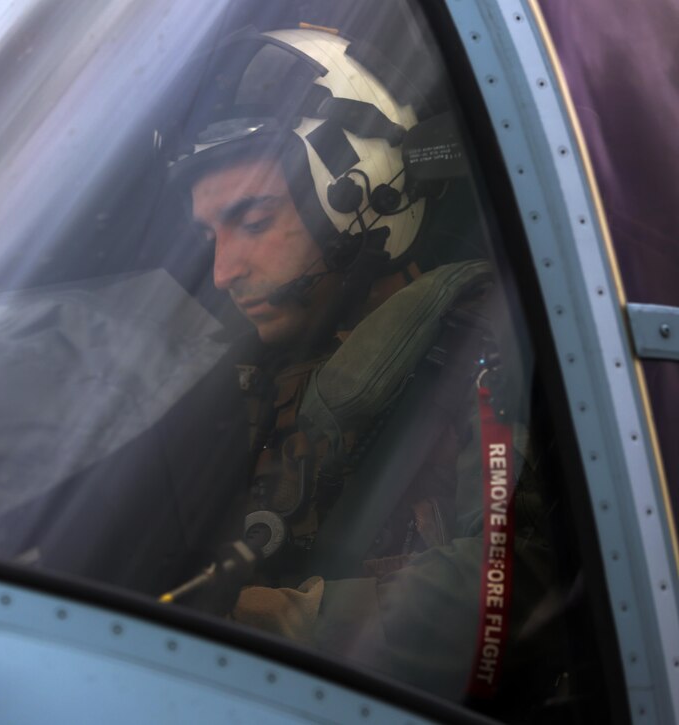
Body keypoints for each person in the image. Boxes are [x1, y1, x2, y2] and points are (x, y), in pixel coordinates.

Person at [166, 26, 568, 706]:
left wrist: (317, 623)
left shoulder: (479, 337)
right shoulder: (242, 373)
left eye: (253, 221)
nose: (223, 271)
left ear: (363, 198)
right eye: (212, 236)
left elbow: (525, 571)